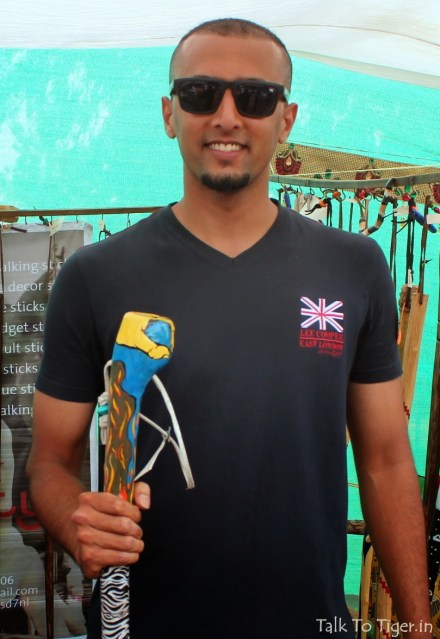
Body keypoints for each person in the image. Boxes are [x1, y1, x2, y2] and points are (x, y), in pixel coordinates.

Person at [27, 17, 432, 639]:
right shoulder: (95, 275)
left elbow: (384, 461)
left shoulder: (353, 266)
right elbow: (51, 460)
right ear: (169, 114)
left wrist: (419, 626)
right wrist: (78, 521)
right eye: (199, 94)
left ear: (286, 119)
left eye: (255, 97)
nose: (226, 116)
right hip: (143, 624)